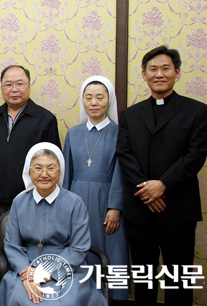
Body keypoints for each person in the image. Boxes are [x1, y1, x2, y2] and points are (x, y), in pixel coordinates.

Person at [117, 46, 207, 306]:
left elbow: (195, 155)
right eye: (153, 69)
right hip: (140, 208)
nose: (159, 74)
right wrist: (148, 191)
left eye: (166, 68)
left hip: (178, 207)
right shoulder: (130, 115)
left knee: (178, 276)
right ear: (144, 74)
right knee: (144, 278)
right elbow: (124, 155)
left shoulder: (198, 111)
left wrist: (163, 185)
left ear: (177, 73)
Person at [0, 142, 107, 305]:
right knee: (21, 298)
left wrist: (45, 273)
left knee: (67, 299)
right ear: (29, 171)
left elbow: (78, 248)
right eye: (38, 168)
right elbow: (12, 245)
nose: (44, 174)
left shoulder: (75, 203)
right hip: (26, 267)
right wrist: (28, 275)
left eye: (51, 168)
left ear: (60, 171)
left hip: (67, 267)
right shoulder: (19, 202)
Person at [0, 65, 61, 250]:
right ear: (1, 88)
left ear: (29, 86)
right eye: (8, 84)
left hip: (31, 196)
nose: (14, 89)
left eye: (20, 84)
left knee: (27, 244)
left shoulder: (45, 119)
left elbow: (54, 163)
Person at [62, 76, 129, 300]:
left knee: (114, 252)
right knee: (81, 250)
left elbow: (121, 171)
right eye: (88, 97)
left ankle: (116, 299)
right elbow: (67, 172)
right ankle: (86, 298)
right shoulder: (73, 133)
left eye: (100, 97)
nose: (94, 102)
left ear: (109, 101)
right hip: (77, 199)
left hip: (107, 199)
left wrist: (115, 207)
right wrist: (64, 206)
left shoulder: (120, 133)